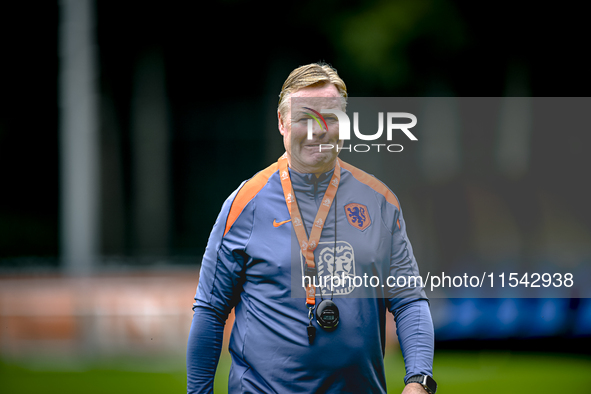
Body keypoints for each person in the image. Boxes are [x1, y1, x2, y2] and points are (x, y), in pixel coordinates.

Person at [187, 63, 436, 394]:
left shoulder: (379, 201)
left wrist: (419, 380)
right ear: (282, 122)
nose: (318, 129)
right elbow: (210, 310)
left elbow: (409, 301)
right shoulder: (244, 203)